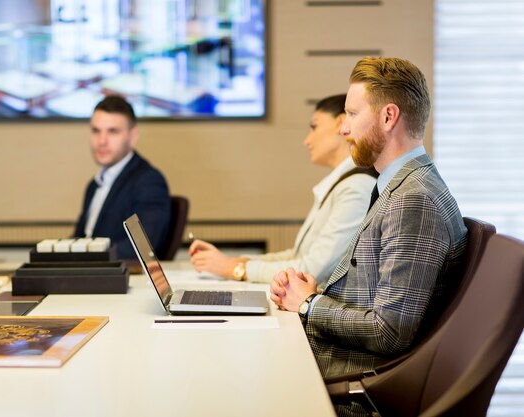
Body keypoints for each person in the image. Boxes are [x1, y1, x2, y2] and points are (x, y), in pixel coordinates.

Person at [270, 57, 467, 385]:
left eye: (352, 114)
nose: (344, 127)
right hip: (335, 364)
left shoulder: (413, 199)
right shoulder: (399, 185)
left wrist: (308, 303)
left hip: (351, 383)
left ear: (389, 117)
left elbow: (389, 332)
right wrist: (310, 291)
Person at [188, 95, 377, 284]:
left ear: (341, 124)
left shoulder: (356, 187)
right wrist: (235, 262)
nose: (307, 140)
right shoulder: (343, 183)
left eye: (314, 127)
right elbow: (298, 255)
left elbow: (312, 271)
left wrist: (235, 269)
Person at [74, 95, 171, 259]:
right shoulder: (94, 185)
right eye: (96, 131)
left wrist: (87, 259)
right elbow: (79, 241)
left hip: (119, 280)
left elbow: (143, 248)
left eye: (113, 131)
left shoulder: (148, 181)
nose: (102, 141)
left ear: (133, 137)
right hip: (88, 277)